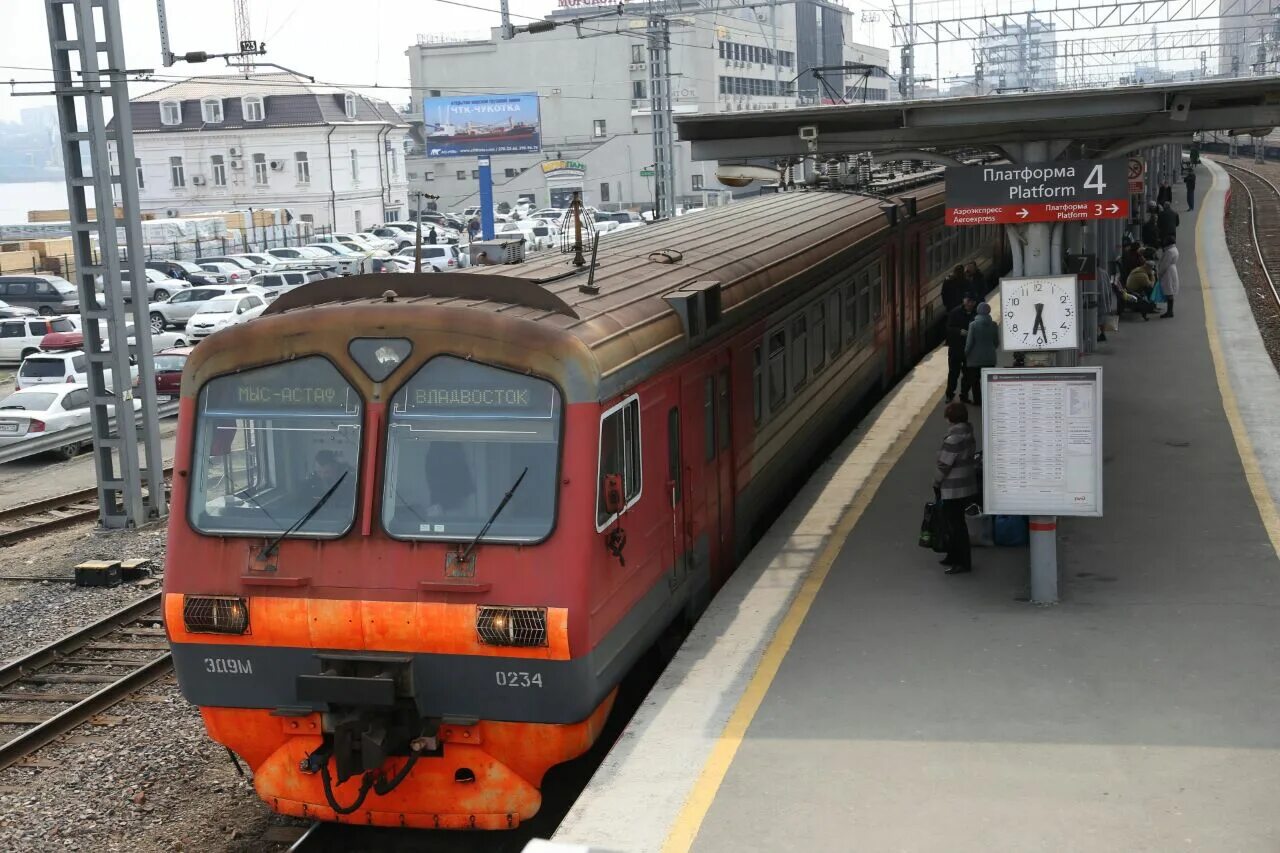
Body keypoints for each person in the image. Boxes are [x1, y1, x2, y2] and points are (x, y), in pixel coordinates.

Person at [933, 401, 977, 575]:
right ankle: (953, 556)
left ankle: (962, 562)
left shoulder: (953, 439)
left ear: (950, 418)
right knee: (955, 522)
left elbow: (944, 465)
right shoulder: (968, 433)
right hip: (965, 484)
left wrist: (936, 482)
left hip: (952, 487)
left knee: (955, 525)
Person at [963, 302, 998, 404]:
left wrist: (965, 354)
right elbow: (996, 342)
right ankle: (989, 399)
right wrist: (990, 349)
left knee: (975, 381)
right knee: (988, 381)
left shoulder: (973, 325)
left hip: (975, 359)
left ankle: (978, 400)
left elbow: (969, 343)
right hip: (990, 357)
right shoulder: (994, 325)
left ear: (978, 311)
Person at [945, 294, 977, 404]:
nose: (969, 304)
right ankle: (949, 394)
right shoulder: (955, 312)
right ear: (964, 301)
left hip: (969, 350)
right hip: (956, 348)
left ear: (974, 303)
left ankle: (964, 395)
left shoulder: (976, 313)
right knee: (953, 373)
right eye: (967, 301)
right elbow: (949, 328)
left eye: (971, 302)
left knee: (967, 375)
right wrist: (959, 331)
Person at [1157, 235, 1180, 318]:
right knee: (1170, 290)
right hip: (1172, 270)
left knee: (1169, 291)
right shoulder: (1174, 249)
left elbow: (1164, 264)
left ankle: (1169, 312)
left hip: (1168, 272)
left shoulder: (1169, 252)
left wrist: (1159, 273)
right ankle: (1170, 311)